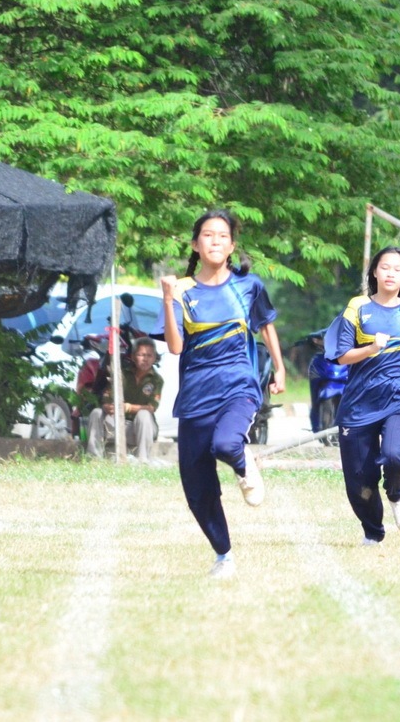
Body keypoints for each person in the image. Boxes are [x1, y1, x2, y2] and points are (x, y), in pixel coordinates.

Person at [157, 209, 286, 578]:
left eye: (222, 236)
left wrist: (279, 368)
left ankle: (244, 465)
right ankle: (224, 555)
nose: (215, 241)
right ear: (195, 244)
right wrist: (167, 299)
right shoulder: (182, 291)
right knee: (197, 488)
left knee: (227, 444)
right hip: (196, 395)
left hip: (238, 385)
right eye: (208, 235)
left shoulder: (248, 286)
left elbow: (265, 326)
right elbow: (176, 347)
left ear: (232, 246)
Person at [324, 246, 400, 545]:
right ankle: (373, 533)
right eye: (385, 267)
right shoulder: (357, 307)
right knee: (359, 480)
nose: (390, 273)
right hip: (358, 404)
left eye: (397, 269)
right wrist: (371, 348)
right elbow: (340, 355)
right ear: (375, 272)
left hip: (399, 399)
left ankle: (396, 494)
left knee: (395, 455)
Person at [86, 337, 163, 461]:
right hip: (117, 424)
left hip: (140, 428)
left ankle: (143, 460)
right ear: (133, 357)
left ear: (154, 358)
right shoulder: (122, 375)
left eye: (149, 355)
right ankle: (94, 458)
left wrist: (127, 407)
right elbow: (107, 399)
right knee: (97, 412)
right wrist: (108, 407)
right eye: (141, 355)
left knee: (144, 414)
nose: (145, 359)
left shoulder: (157, 380)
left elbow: (151, 407)